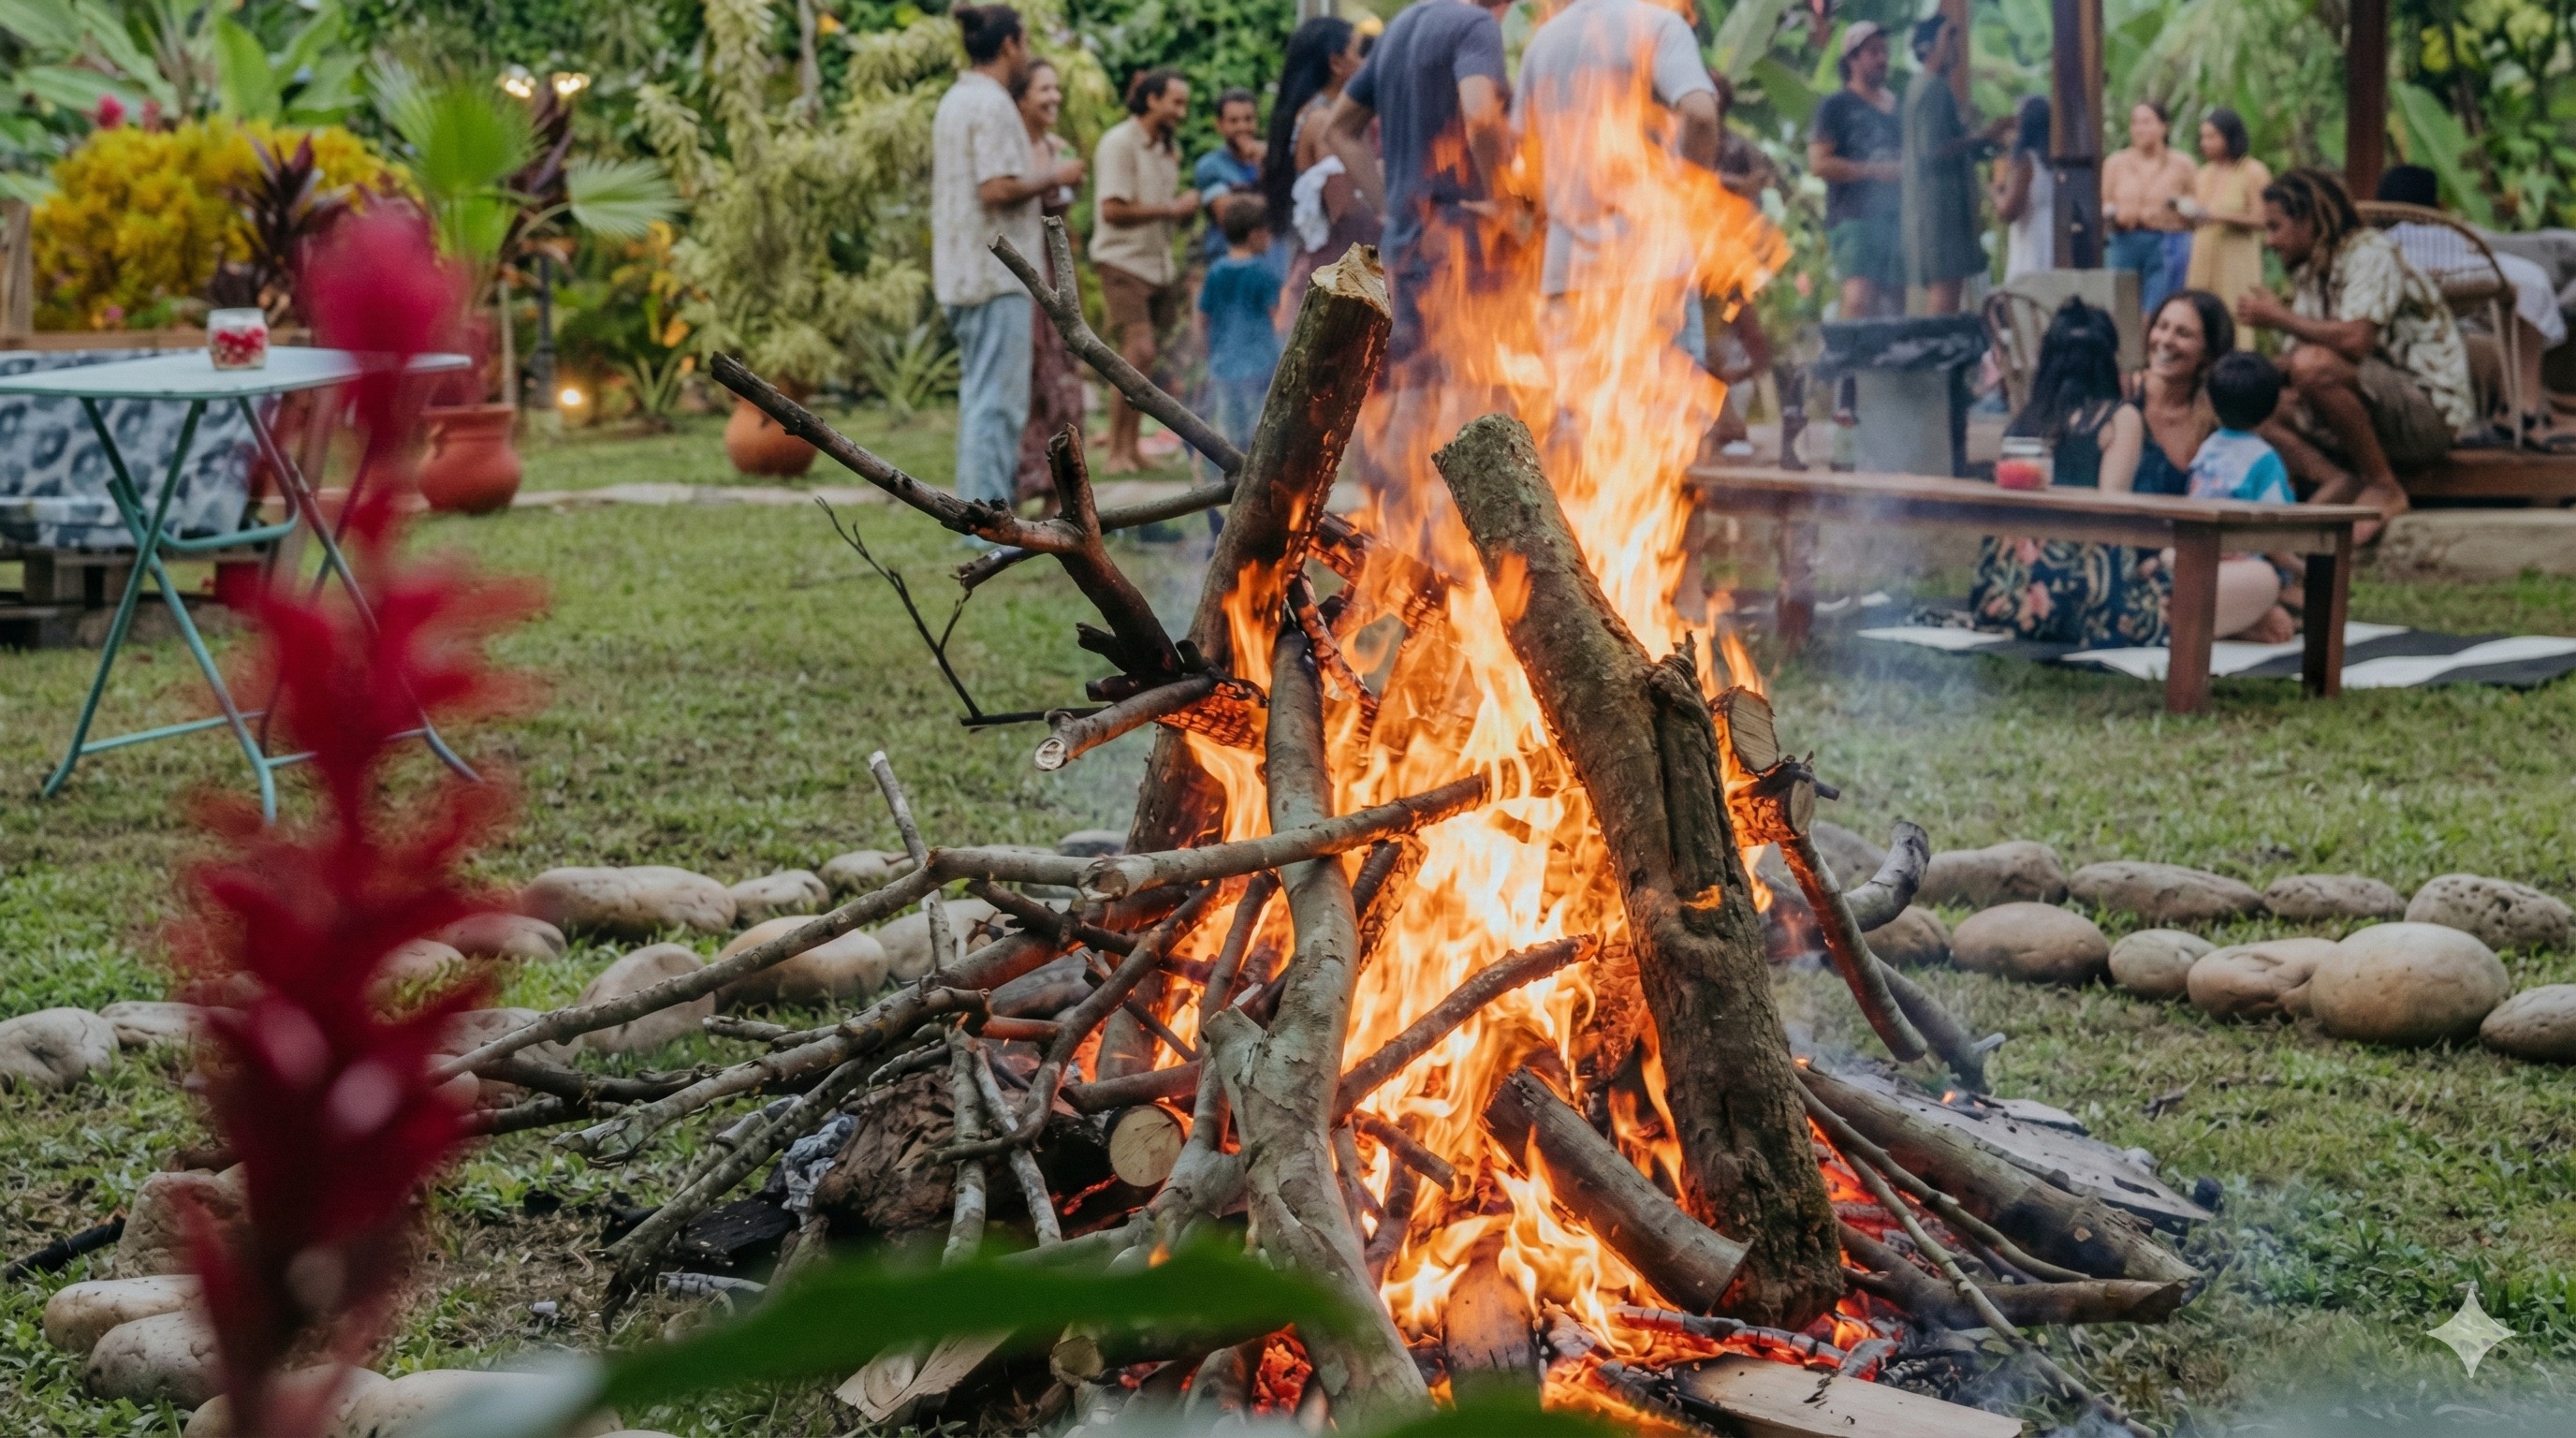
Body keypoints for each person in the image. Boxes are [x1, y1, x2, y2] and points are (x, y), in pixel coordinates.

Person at [2238, 167, 2476, 538]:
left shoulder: (2370, 253)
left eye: (2275, 227)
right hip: (2374, 402)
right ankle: (2338, 482)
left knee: (2313, 367)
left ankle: (2383, 485)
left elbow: (2355, 340)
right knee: (2250, 402)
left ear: (2309, 222)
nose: (2269, 241)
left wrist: (2278, 317)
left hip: (2427, 415)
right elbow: (2292, 360)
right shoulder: (2311, 269)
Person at [931, 5, 1080, 512]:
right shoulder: (992, 104)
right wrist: (1058, 175)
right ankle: (989, 512)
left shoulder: (956, 99)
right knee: (997, 404)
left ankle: (980, 509)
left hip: (963, 269)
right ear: (1010, 44)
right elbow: (997, 188)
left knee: (982, 401)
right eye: (1027, 40)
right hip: (996, 274)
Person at [1324, 0, 1516, 376]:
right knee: (1472, 384)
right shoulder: (1475, 26)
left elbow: (1340, 128)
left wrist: (1388, 206)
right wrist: (1502, 201)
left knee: (1412, 391)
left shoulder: (1399, 28)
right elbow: (1480, 116)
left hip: (1404, 247)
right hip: (1460, 248)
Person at [1968, 299, 2170, 646]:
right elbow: (2111, 513)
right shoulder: (2119, 419)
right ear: (2108, 360)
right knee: (2245, 580)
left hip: (2003, 598)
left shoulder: (2026, 420)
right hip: (2086, 605)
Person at [1515, 0, 1720, 315]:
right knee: (1668, 366)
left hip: (1567, 272)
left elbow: (1521, 160)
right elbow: (1701, 114)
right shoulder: (1658, 25)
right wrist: (1692, 195)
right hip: (1651, 265)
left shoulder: (1542, 44)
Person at [2376, 163, 2570, 450]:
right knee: (2523, 294)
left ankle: (2520, 412)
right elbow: (2530, 282)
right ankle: (2522, 409)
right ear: (2435, 205)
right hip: (2421, 375)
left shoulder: (2378, 247)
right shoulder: (2449, 242)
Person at [1092, 67, 1199, 473]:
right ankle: (1115, 454)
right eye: (1176, 102)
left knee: (1143, 363)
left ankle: (1130, 448)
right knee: (1138, 352)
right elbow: (1111, 210)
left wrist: (1182, 212)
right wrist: (1171, 209)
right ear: (1152, 99)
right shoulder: (1119, 143)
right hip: (1122, 260)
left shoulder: (1167, 148)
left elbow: (1161, 210)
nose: (1183, 112)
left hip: (1156, 265)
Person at [2185, 351, 2300, 641]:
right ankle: (2252, 619)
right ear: (2272, 408)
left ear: (2211, 403)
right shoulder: (2265, 460)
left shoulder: (2206, 449)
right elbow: (2273, 534)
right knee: (2291, 589)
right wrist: (2302, 568)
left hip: (2196, 550)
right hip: (2240, 560)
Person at [1014, 57, 1087, 506]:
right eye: (1044, 89)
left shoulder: (1054, 146)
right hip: (1026, 275)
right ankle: (1027, 482)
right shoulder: (1016, 152)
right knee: (1032, 379)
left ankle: (1062, 490)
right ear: (1021, 97)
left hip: (1057, 272)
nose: (1054, 97)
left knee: (1062, 375)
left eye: (1056, 88)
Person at [1264, 16, 1374, 309]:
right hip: (1333, 273)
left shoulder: (1319, 114)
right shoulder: (1325, 121)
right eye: (1359, 53)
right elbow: (1344, 209)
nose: (1367, 63)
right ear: (1336, 63)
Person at [1899, 15, 2004, 315]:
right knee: (1946, 288)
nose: (1954, 49)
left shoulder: (1921, 87)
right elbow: (1934, 150)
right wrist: (1986, 135)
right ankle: (1939, 354)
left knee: (1948, 287)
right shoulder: (1933, 89)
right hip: (1939, 208)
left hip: (1933, 208)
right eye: (1948, 40)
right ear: (1928, 47)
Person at [1808, 22, 1904, 321]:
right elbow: (1819, 163)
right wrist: (1873, 171)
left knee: (1896, 299)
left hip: (1897, 217)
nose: (1882, 59)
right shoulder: (1835, 106)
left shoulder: (1898, 106)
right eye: (1873, 52)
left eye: (1884, 51)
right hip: (1853, 217)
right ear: (1852, 59)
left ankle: (1886, 366)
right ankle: (1849, 364)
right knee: (1858, 298)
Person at [2130, 287, 2236, 497]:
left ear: (2207, 353)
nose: (2166, 340)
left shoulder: (2219, 417)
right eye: (2162, 326)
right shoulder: (2123, 395)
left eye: (2183, 333)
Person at [1198, 194, 1283, 458]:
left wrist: (1207, 350)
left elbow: (1203, 317)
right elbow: (1275, 317)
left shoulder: (1216, 270)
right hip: (1260, 363)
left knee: (1229, 430)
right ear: (1255, 234)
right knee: (1259, 427)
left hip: (1223, 364)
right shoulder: (1263, 272)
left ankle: (1231, 474)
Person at [2100, 101, 2197, 318]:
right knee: (2119, 307)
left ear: (2164, 127)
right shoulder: (2116, 163)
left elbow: (2196, 206)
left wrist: (2178, 207)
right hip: (2124, 240)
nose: (2139, 129)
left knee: (2158, 308)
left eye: (2146, 122)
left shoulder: (2182, 164)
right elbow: (2105, 201)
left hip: (2166, 242)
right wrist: (2112, 213)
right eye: (2135, 123)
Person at [2177, 107, 2270, 314]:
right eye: (2203, 137)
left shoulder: (2252, 171)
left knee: (2233, 312)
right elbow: (2196, 218)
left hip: (2235, 259)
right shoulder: (2203, 174)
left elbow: (2263, 219)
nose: (2205, 143)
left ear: (2229, 136)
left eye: (2212, 137)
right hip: (2203, 255)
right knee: (2200, 312)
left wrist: (2218, 216)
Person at [1193, 87, 1266, 266]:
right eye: (1234, 121)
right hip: (1227, 262)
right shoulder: (1210, 166)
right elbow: (1231, 220)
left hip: (1267, 263)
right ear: (1220, 125)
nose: (1242, 126)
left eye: (1248, 119)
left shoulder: (1268, 158)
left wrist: (1265, 166)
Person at [1992, 95, 2055, 281]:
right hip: (2050, 235)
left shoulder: (2027, 161)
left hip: (2031, 240)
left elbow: (2008, 210)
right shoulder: (2052, 160)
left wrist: (1994, 191)